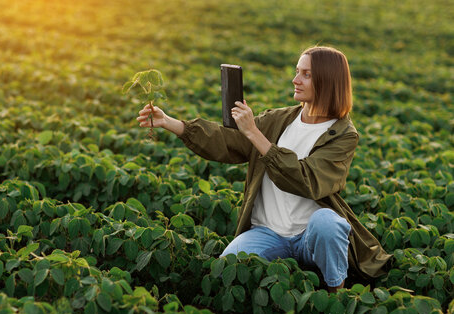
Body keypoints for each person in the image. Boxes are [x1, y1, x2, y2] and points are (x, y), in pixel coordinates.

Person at [136, 46, 392, 292]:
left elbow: (307, 180)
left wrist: (254, 134)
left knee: (329, 223)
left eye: (306, 74)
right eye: (296, 71)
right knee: (226, 267)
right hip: (267, 232)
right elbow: (228, 141)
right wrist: (169, 122)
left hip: (309, 235)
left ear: (328, 80)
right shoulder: (280, 119)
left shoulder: (343, 134)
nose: (295, 80)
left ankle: (337, 298)